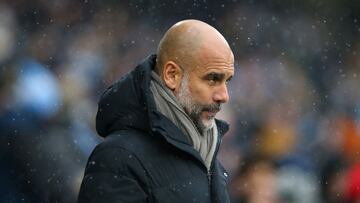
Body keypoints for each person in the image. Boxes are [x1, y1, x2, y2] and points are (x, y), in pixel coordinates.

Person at [77, 19, 235, 203]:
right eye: (212, 79)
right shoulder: (118, 158)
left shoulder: (207, 157)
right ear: (172, 75)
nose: (224, 95)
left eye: (227, 81)